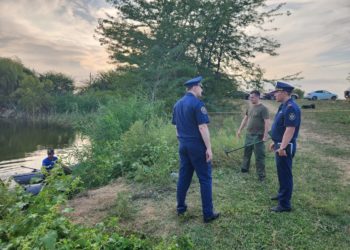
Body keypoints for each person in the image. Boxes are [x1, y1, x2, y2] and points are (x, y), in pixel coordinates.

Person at [172, 76, 220, 223]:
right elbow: (203, 126)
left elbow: (176, 127)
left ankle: (181, 208)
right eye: (201, 86)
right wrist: (209, 148)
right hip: (197, 146)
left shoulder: (177, 104)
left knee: (184, 177)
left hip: (183, 144)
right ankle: (208, 214)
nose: (202, 89)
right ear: (194, 87)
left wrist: (182, 140)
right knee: (205, 179)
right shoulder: (197, 104)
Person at [269, 81, 301, 212]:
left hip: (286, 146)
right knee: (281, 172)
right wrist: (275, 141)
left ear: (283, 92)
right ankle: (282, 195)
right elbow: (281, 127)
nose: (274, 95)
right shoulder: (283, 106)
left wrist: (282, 147)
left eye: (276, 92)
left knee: (285, 174)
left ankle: (285, 204)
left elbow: (290, 129)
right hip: (280, 143)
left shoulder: (291, 107)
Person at [236, 90, 270, 181]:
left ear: (258, 97)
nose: (250, 99)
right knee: (246, 153)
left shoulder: (263, 109)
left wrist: (265, 135)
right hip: (249, 135)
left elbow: (267, 122)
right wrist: (239, 130)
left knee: (259, 156)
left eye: (253, 97)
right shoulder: (250, 107)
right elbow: (245, 119)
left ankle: (261, 176)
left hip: (258, 136)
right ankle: (244, 170)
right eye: (250, 97)